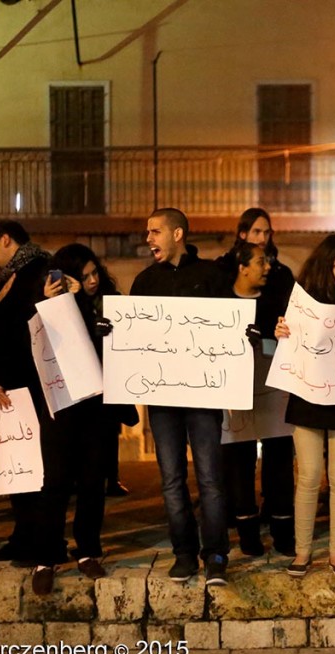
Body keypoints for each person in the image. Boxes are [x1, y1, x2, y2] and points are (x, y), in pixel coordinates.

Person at [129, 207, 233, 586]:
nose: (148, 239)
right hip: (162, 400)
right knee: (171, 479)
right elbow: (134, 338)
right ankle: (184, 555)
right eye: (147, 231)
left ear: (177, 234)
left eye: (154, 231)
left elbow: (232, 327)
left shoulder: (211, 277)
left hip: (204, 396)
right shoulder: (143, 282)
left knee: (210, 478)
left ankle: (217, 555)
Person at [274, 233, 335, 579]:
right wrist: (282, 329)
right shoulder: (302, 296)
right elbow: (287, 334)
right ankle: (303, 553)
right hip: (308, 395)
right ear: (327, 260)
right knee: (309, 476)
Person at [0, 221, 61, 595]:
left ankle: (41, 539)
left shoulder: (38, 271)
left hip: (35, 385)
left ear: (7, 240)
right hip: (12, 385)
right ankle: (22, 534)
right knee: (17, 463)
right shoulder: (11, 275)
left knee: (37, 465)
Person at [217, 208, 296, 556]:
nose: (262, 238)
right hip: (236, 387)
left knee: (279, 458)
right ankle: (248, 535)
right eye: (256, 232)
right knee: (240, 461)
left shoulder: (281, 279)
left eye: (267, 231)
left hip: (274, 383)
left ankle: (283, 532)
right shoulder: (220, 282)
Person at [49, 243, 135, 498]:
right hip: (73, 399)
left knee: (96, 467)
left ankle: (108, 482)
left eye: (95, 273)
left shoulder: (110, 300)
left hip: (103, 396)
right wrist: (72, 298)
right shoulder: (62, 303)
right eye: (85, 277)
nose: (93, 280)